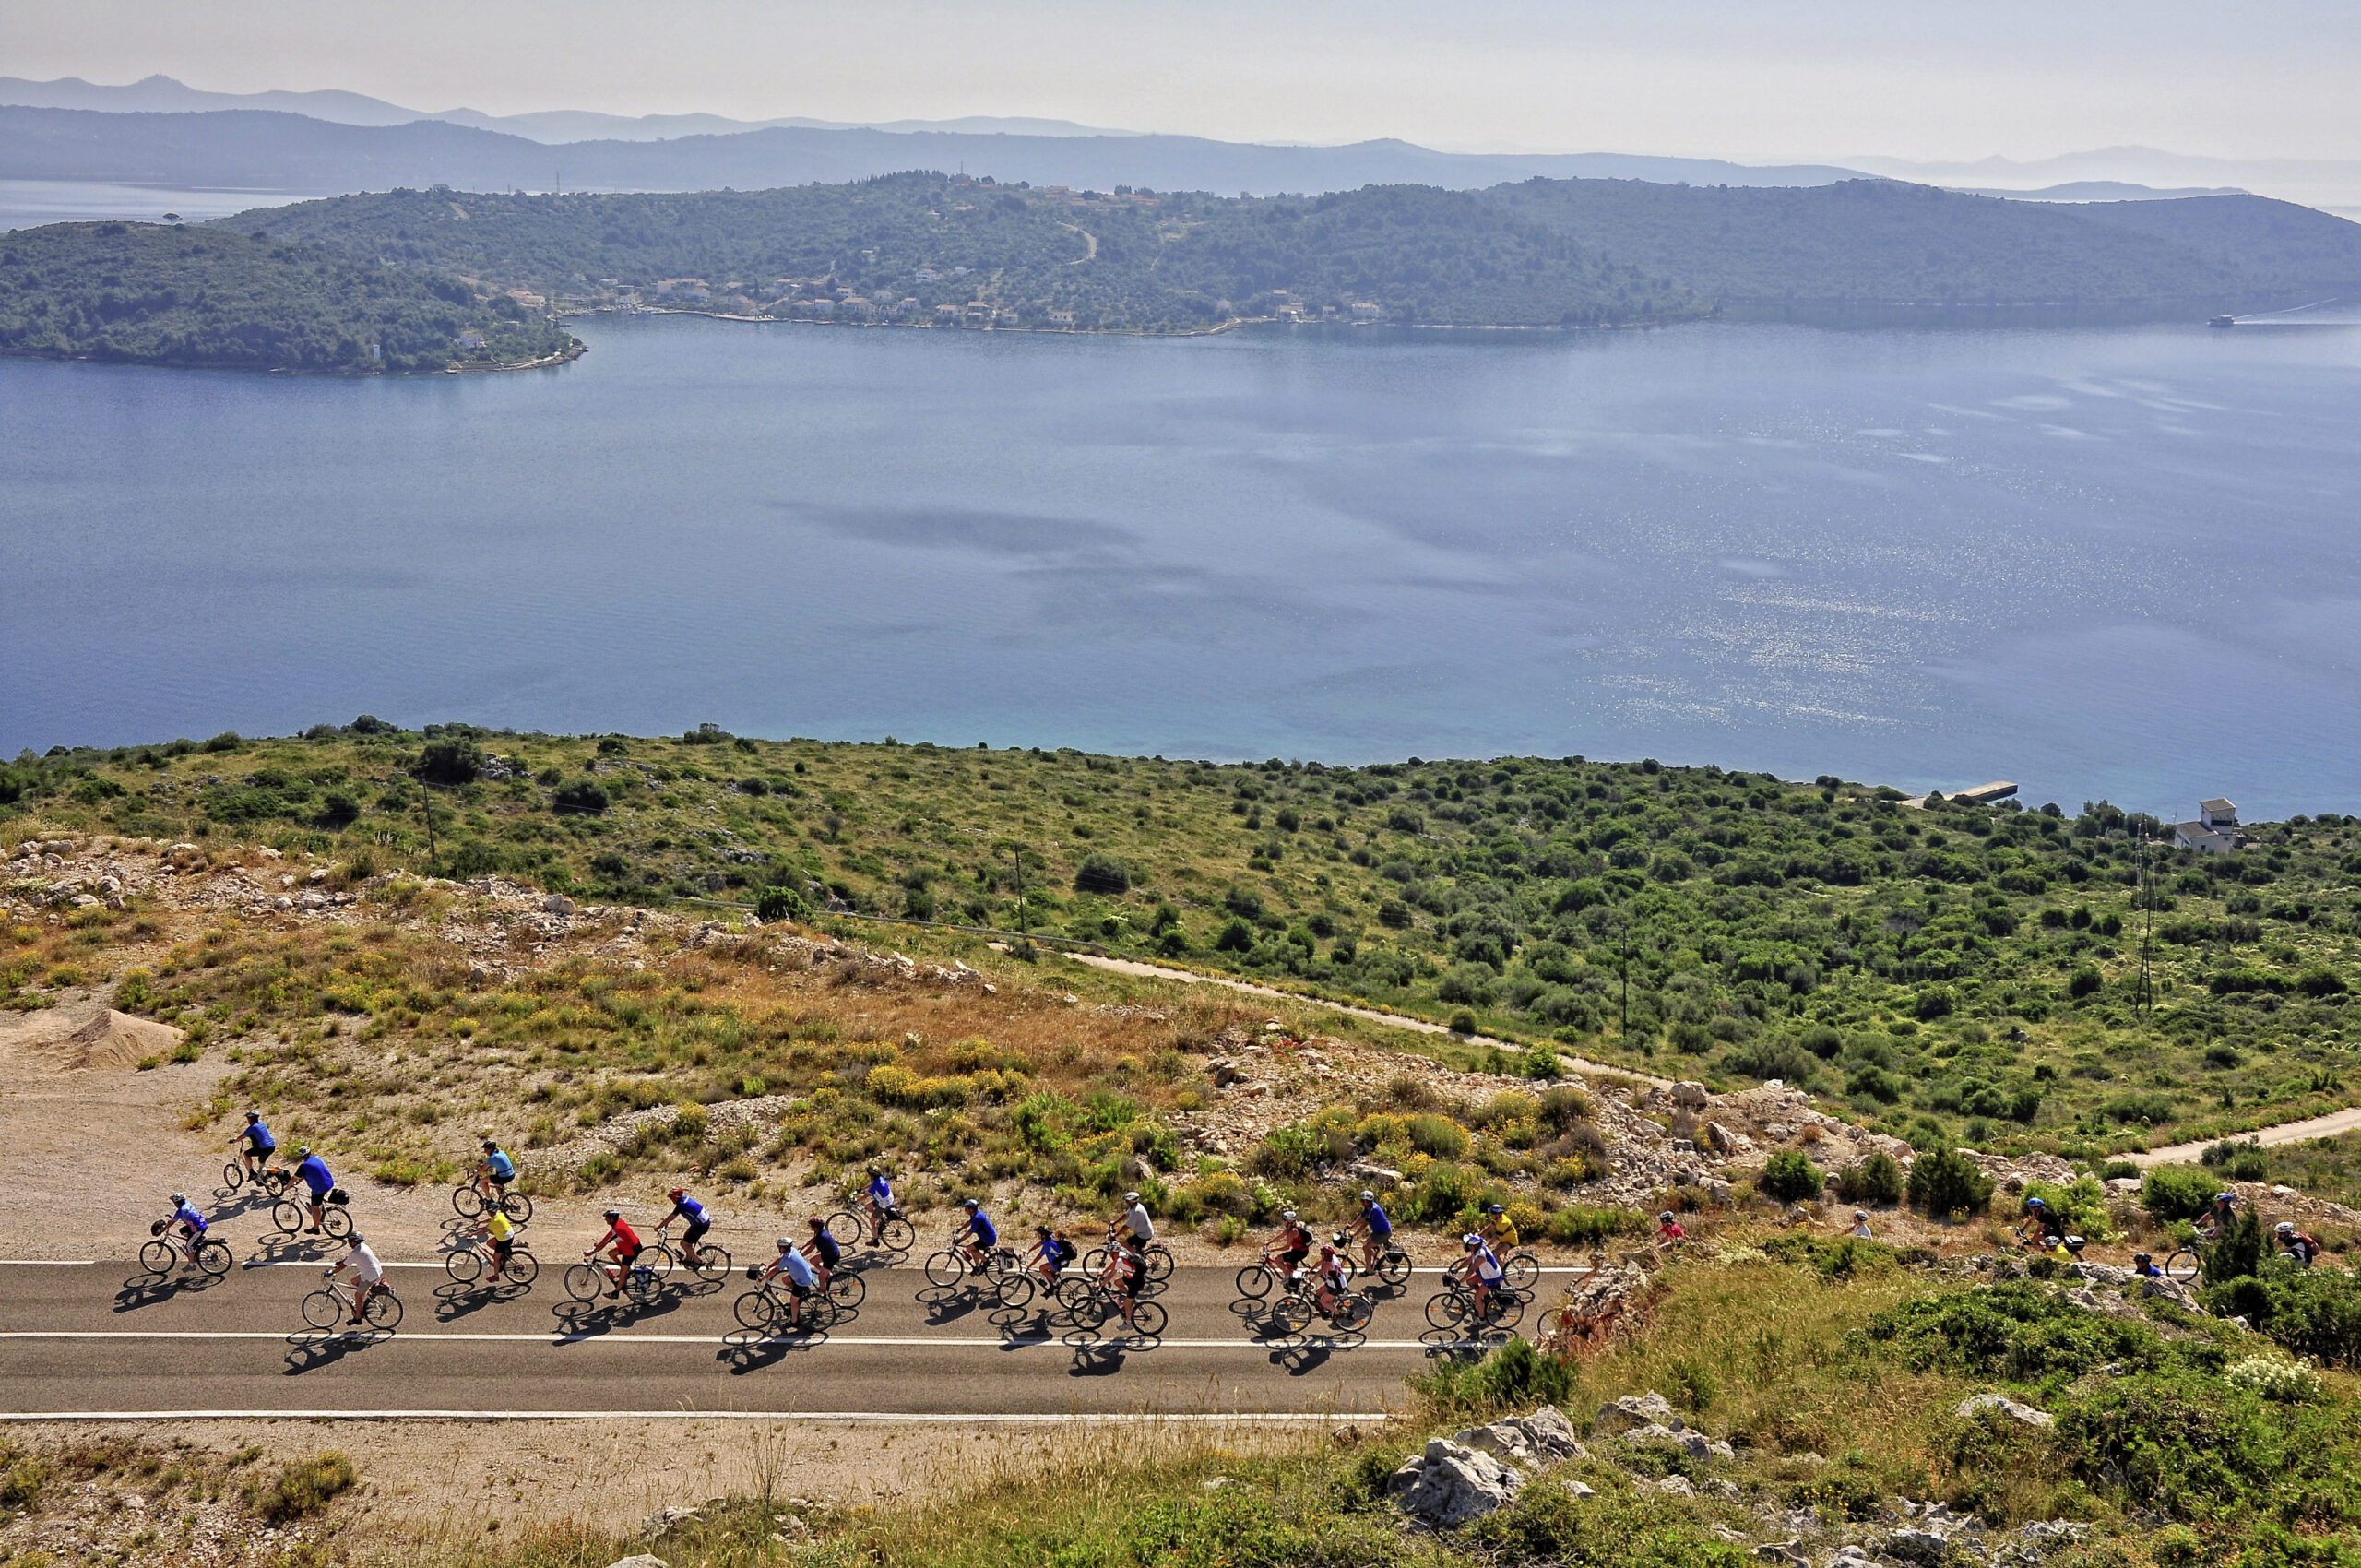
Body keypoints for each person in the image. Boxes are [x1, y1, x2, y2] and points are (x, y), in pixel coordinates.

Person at [326, 1230, 386, 1326]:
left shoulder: (356, 1252)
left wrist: (332, 1272)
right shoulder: (363, 1246)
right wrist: (340, 1262)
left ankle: (357, 1318)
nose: (349, 1242)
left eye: (349, 1241)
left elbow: (343, 1266)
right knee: (354, 1281)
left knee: (357, 1295)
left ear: (354, 1242)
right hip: (374, 1270)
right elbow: (347, 1259)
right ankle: (364, 1296)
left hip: (369, 1275)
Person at [761, 1235, 819, 1331]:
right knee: (785, 1279)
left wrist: (763, 1278)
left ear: (783, 1248)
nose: (778, 1248)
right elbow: (779, 1261)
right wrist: (768, 1267)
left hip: (802, 1281)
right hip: (803, 1275)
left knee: (793, 1300)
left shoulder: (788, 1257)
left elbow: (776, 1270)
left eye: (779, 1247)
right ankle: (799, 1297)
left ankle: (794, 1321)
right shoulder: (792, 1251)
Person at [587, 1208, 643, 1299]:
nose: (605, 1220)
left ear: (612, 1219)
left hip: (630, 1250)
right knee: (611, 1253)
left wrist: (592, 1252)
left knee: (623, 1272)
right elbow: (604, 1242)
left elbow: (604, 1243)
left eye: (607, 1218)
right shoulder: (619, 1223)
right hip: (629, 1246)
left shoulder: (616, 1230)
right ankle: (623, 1268)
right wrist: (599, 1245)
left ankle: (616, 1292)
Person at [663, 1188, 713, 1268]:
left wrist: (659, 1227)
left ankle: (698, 1262)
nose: (672, 1200)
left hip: (700, 1225)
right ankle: (688, 1260)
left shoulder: (681, 1205)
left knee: (683, 1244)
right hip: (701, 1222)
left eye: (672, 1198)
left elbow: (671, 1217)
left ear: (676, 1197)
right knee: (686, 1237)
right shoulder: (686, 1199)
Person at [1109, 1232, 1147, 1332]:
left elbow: (1112, 1273)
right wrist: (1102, 1273)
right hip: (1133, 1277)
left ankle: (1128, 1323)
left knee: (1127, 1304)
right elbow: (1112, 1266)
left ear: (1113, 1252)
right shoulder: (1122, 1253)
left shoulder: (1119, 1260)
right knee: (1117, 1282)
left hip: (1136, 1281)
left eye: (1110, 1252)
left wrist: (1101, 1284)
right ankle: (1130, 1298)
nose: (1108, 1254)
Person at [1464, 1233, 1505, 1321]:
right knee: (1470, 1281)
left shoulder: (1481, 1256)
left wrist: (1459, 1281)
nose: (1468, 1247)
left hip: (1492, 1278)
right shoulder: (1477, 1250)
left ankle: (1482, 1319)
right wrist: (1455, 1270)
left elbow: (1471, 1270)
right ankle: (1485, 1297)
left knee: (1477, 1297)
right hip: (1486, 1274)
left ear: (1474, 1246)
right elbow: (1468, 1260)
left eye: (1470, 1246)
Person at [1350, 1190, 1394, 1273]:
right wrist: (1351, 1226)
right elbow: (1362, 1217)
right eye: (1361, 1200)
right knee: (1365, 1245)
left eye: (1363, 1200)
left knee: (1366, 1247)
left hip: (1383, 1233)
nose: (1361, 1202)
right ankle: (1379, 1261)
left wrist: (1355, 1234)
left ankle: (1369, 1270)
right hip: (1378, 1232)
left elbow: (1365, 1223)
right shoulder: (1368, 1207)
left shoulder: (1374, 1210)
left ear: (1368, 1201)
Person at [294, 1146, 335, 1234]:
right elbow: (311, 1172)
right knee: (318, 1200)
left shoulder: (304, 1166)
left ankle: (316, 1228)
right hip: (329, 1182)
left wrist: (287, 1187)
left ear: (301, 1157)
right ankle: (321, 1208)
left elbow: (294, 1178)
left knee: (315, 1208)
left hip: (320, 1188)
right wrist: (301, 1179)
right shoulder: (316, 1158)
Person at [165, 1192, 208, 1272]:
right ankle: (196, 1241)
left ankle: (191, 1265)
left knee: (188, 1246)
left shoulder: (181, 1211)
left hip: (198, 1229)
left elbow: (172, 1222)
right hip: (202, 1223)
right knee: (182, 1230)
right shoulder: (187, 1204)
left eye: (174, 1202)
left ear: (177, 1203)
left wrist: (163, 1229)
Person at [1269, 1209, 1312, 1285]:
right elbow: (1279, 1237)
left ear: (1289, 1222)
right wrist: (1268, 1243)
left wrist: (1273, 1250)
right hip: (1298, 1250)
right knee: (1288, 1265)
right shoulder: (1289, 1229)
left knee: (1277, 1260)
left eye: (1284, 1220)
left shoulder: (1293, 1231)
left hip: (1300, 1252)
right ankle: (1292, 1282)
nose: (1283, 1222)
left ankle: (1287, 1275)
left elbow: (1286, 1247)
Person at [1311, 1242, 1351, 1321]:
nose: (1320, 1254)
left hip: (1337, 1286)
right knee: (1318, 1293)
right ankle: (1321, 1311)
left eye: (1322, 1253)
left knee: (1323, 1301)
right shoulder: (1329, 1258)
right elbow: (1318, 1263)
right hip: (1332, 1283)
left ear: (1326, 1254)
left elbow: (1319, 1273)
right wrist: (1310, 1270)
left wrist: (1310, 1282)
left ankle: (1338, 1314)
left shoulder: (1329, 1264)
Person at [954, 1198, 997, 1271]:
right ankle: (978, 1267)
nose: (965, 1210)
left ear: (971, 1209)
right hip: (986, 1237)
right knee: (973, 1249)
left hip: (988, 1239)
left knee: (969, 1248)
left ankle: (986, 1260)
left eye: (966, 1208)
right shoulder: (976, 1213)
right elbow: (969, 1222)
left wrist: (959, 1240)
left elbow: (969, 1233)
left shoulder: (978, 1218)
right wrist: (959, 1229)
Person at [804, 1216, 842, 1295]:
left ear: (815, 1228)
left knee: (821, 1277)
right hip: (828, 1254)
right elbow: (813, 1240)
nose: (810, 1227)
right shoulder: (821, 1232)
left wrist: (801, 1255)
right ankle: (828, 1275)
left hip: (831, 1257)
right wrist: (803, 1246)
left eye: (811, 1225)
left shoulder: (821, 1236)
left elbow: (810, 1250)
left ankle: (824, 1295)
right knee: (813, 1261)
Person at [474, 1140, 517, 1206]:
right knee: (497, 1185)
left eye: (486, 1149)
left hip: (504, 1176)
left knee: (483, 1181)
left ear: (491, 1149)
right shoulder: (500, 1152)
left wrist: (475, 1174)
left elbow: (483, 1169)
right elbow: (494, 1164)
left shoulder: (492, 1158)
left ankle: (488, 1199)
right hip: (511, 1174)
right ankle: (503, 1203)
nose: (485, 1151)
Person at [482, 1206, 519, 1282]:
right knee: (489, 1243)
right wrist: (480, 1222)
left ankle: (496, 1276)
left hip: (504, 1240)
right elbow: (490, 1220)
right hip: (508, 1235)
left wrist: (472, 1234)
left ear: (490, 1212)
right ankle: (502, 1254)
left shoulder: (495, 1221)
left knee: (496, 1259)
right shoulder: (500, 1214)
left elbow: (484, 1231)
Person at [233, 1111, 276, 1178]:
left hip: (263, 1148)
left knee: (246, 1154)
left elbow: (242, 1137)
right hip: (272, 1147)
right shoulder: (263, 1124)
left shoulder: (252, 1128)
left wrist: (234, 1141)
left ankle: (252, 1172)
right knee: (261, 1161)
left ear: (249, 1119)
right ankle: (263, 1175)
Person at [863, 1167, 897, 1243]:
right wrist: (862, 1188)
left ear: (872, 1176)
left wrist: (855, 1200)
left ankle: (875, 1240)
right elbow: (871, 1184)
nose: (867, 1176)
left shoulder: (875, 1185)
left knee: (872, 1221)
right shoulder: (879, 1178)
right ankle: (880, 1219)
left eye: (868, 1175)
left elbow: (865, 1196)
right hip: (887, 1198)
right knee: (867, 1207)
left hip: (884, 1203)